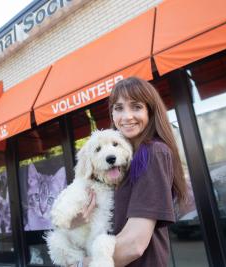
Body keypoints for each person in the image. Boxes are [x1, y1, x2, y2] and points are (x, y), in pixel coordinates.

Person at [70, 77, 188, 267]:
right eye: (118, 108)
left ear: (150, 110)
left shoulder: (152, 152)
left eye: (136, 107)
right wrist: (76, 221)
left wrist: (79, 265)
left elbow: (134, 244)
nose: (126, 117)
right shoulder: (122, 161)